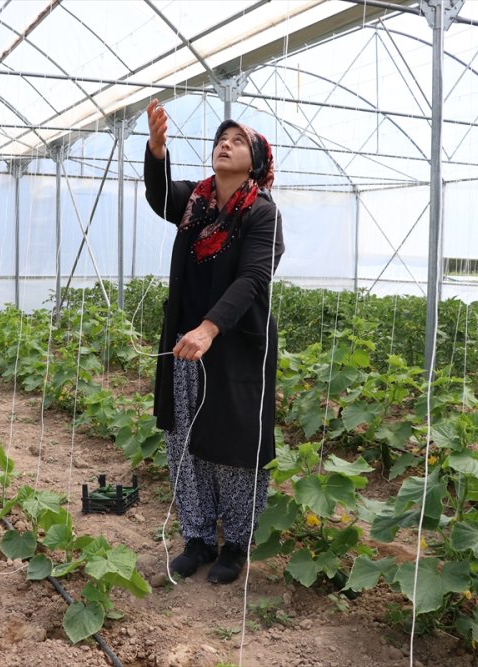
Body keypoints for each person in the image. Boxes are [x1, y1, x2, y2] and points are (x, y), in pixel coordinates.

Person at [143, 98, 285, 584]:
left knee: (234, 443)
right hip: (187, 344)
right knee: (185, 437)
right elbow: (161, 196)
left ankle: (236, 545)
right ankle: (199, 537)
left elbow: (252, 280)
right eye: (221, 139)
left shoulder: (261, 214)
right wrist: (157, 150)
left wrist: (210, 326)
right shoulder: (195, 202)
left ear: (257, 161)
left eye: (238, 140)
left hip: (236, 344)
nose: (225, 143)